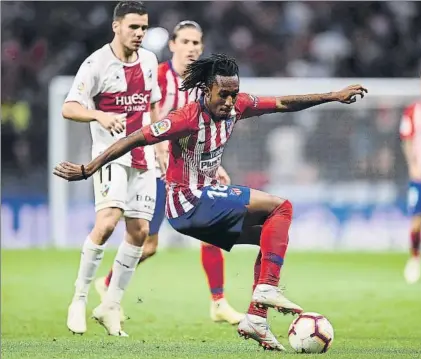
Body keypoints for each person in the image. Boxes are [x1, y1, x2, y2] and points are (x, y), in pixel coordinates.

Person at [54, 54, 368, 350]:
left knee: (270, 238)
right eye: (223, 95)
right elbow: (135, 137)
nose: (230, 101)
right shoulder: (186, 117)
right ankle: (267, 288)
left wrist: (333, 95)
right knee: (282, 207)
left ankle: (256, 317)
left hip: (200, 204)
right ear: (207, 90)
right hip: (187, 202)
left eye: (234, 94)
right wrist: (88, 168)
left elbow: (284, 102)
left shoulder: (238, 105)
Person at [95, 21, 244, 325]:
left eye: (196, 43)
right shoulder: (158, 76)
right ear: (173, 45)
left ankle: (218, 301)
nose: (192, 48)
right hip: (153, 166)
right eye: (186, 42)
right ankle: (108, 284)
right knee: (148, 244)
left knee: (211, 229)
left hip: (187, 169)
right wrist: (158, 149)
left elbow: (204, 129)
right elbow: (142, 117)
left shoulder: (205, 84)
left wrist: (216, 165)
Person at [61, 1, 166, 336]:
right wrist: (99, 115)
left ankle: (110, 304)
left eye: (144, 28)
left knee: (139, 233)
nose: (139, 34)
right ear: (116, 26)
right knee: (107, 223)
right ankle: (78, 299)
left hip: (144, 158)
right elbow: (69, 106)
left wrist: (160, 142)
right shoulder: (96, 63)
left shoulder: (149, 60)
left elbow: (152, 104)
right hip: (110, 156)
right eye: (133, 27)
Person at [400, 72, 421, 284]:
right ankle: (415, 259)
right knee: (416, 222)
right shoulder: (413, 111)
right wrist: (413, 166)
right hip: (420, 176)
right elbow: (407, 141)